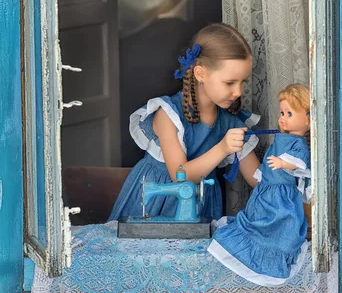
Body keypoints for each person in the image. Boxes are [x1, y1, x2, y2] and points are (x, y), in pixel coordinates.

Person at [109, 23, 261, 221]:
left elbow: (257, 180)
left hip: (202, 206)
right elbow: (179, 175)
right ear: (200, 74)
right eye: (230, 82)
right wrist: (223, 148)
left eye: (243, 82)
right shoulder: (169, 114)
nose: (239, 92)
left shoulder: (230, 122)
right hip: (157, 203)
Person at [208, 83, 311, 287]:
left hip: (281, 199)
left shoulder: (298, 144)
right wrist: (263, 173)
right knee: (257, 223)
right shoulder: (281, 138)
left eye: (289, 113)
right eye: (282, 112)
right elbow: (269, 161)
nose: (282, 117)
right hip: (266, 192)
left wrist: (283, 163)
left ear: (308, 117)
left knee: (279, 227)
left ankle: (269, 259)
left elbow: (301, 163)